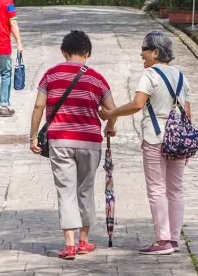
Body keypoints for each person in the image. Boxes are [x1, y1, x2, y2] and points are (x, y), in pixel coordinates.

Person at [100, 31, 192, 255]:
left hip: (155, 137)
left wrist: (111, 113)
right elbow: (187, 113)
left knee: (157, 189)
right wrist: (187, 144)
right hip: (179, 137)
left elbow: (137, 104)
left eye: (144, 49)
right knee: (176, 190)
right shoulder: (181, 76)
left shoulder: (150, 75)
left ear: (155, 52)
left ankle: (162, 241)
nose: (141, 54)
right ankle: (173, 238)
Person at [29, 30, 118, 260]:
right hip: (90, 142)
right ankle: (84, 241)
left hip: (60, 140)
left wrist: (32, 136)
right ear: (87, 54)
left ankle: (69, 245)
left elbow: (39, 107)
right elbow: (111, 108)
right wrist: (110, 126)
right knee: (85, 189)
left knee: (65, 190)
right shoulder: (96, 78)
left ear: (64, 52)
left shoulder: (50, 75)